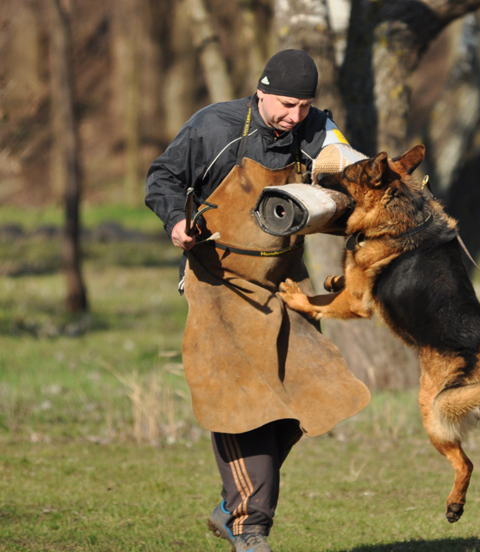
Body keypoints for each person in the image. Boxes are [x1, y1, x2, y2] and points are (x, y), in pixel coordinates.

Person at [145, 49, 370, 552]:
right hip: (218, 282)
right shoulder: (215, 126)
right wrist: (177, 222)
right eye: (286, 104)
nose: (294, 117)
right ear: (262, 91)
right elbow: (162, 178)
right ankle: (250, 527)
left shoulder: (317, 130)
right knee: (242, 405)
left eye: (304, 107)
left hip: (285, 283)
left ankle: (232, 508)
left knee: (300, 404)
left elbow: (350, 176)